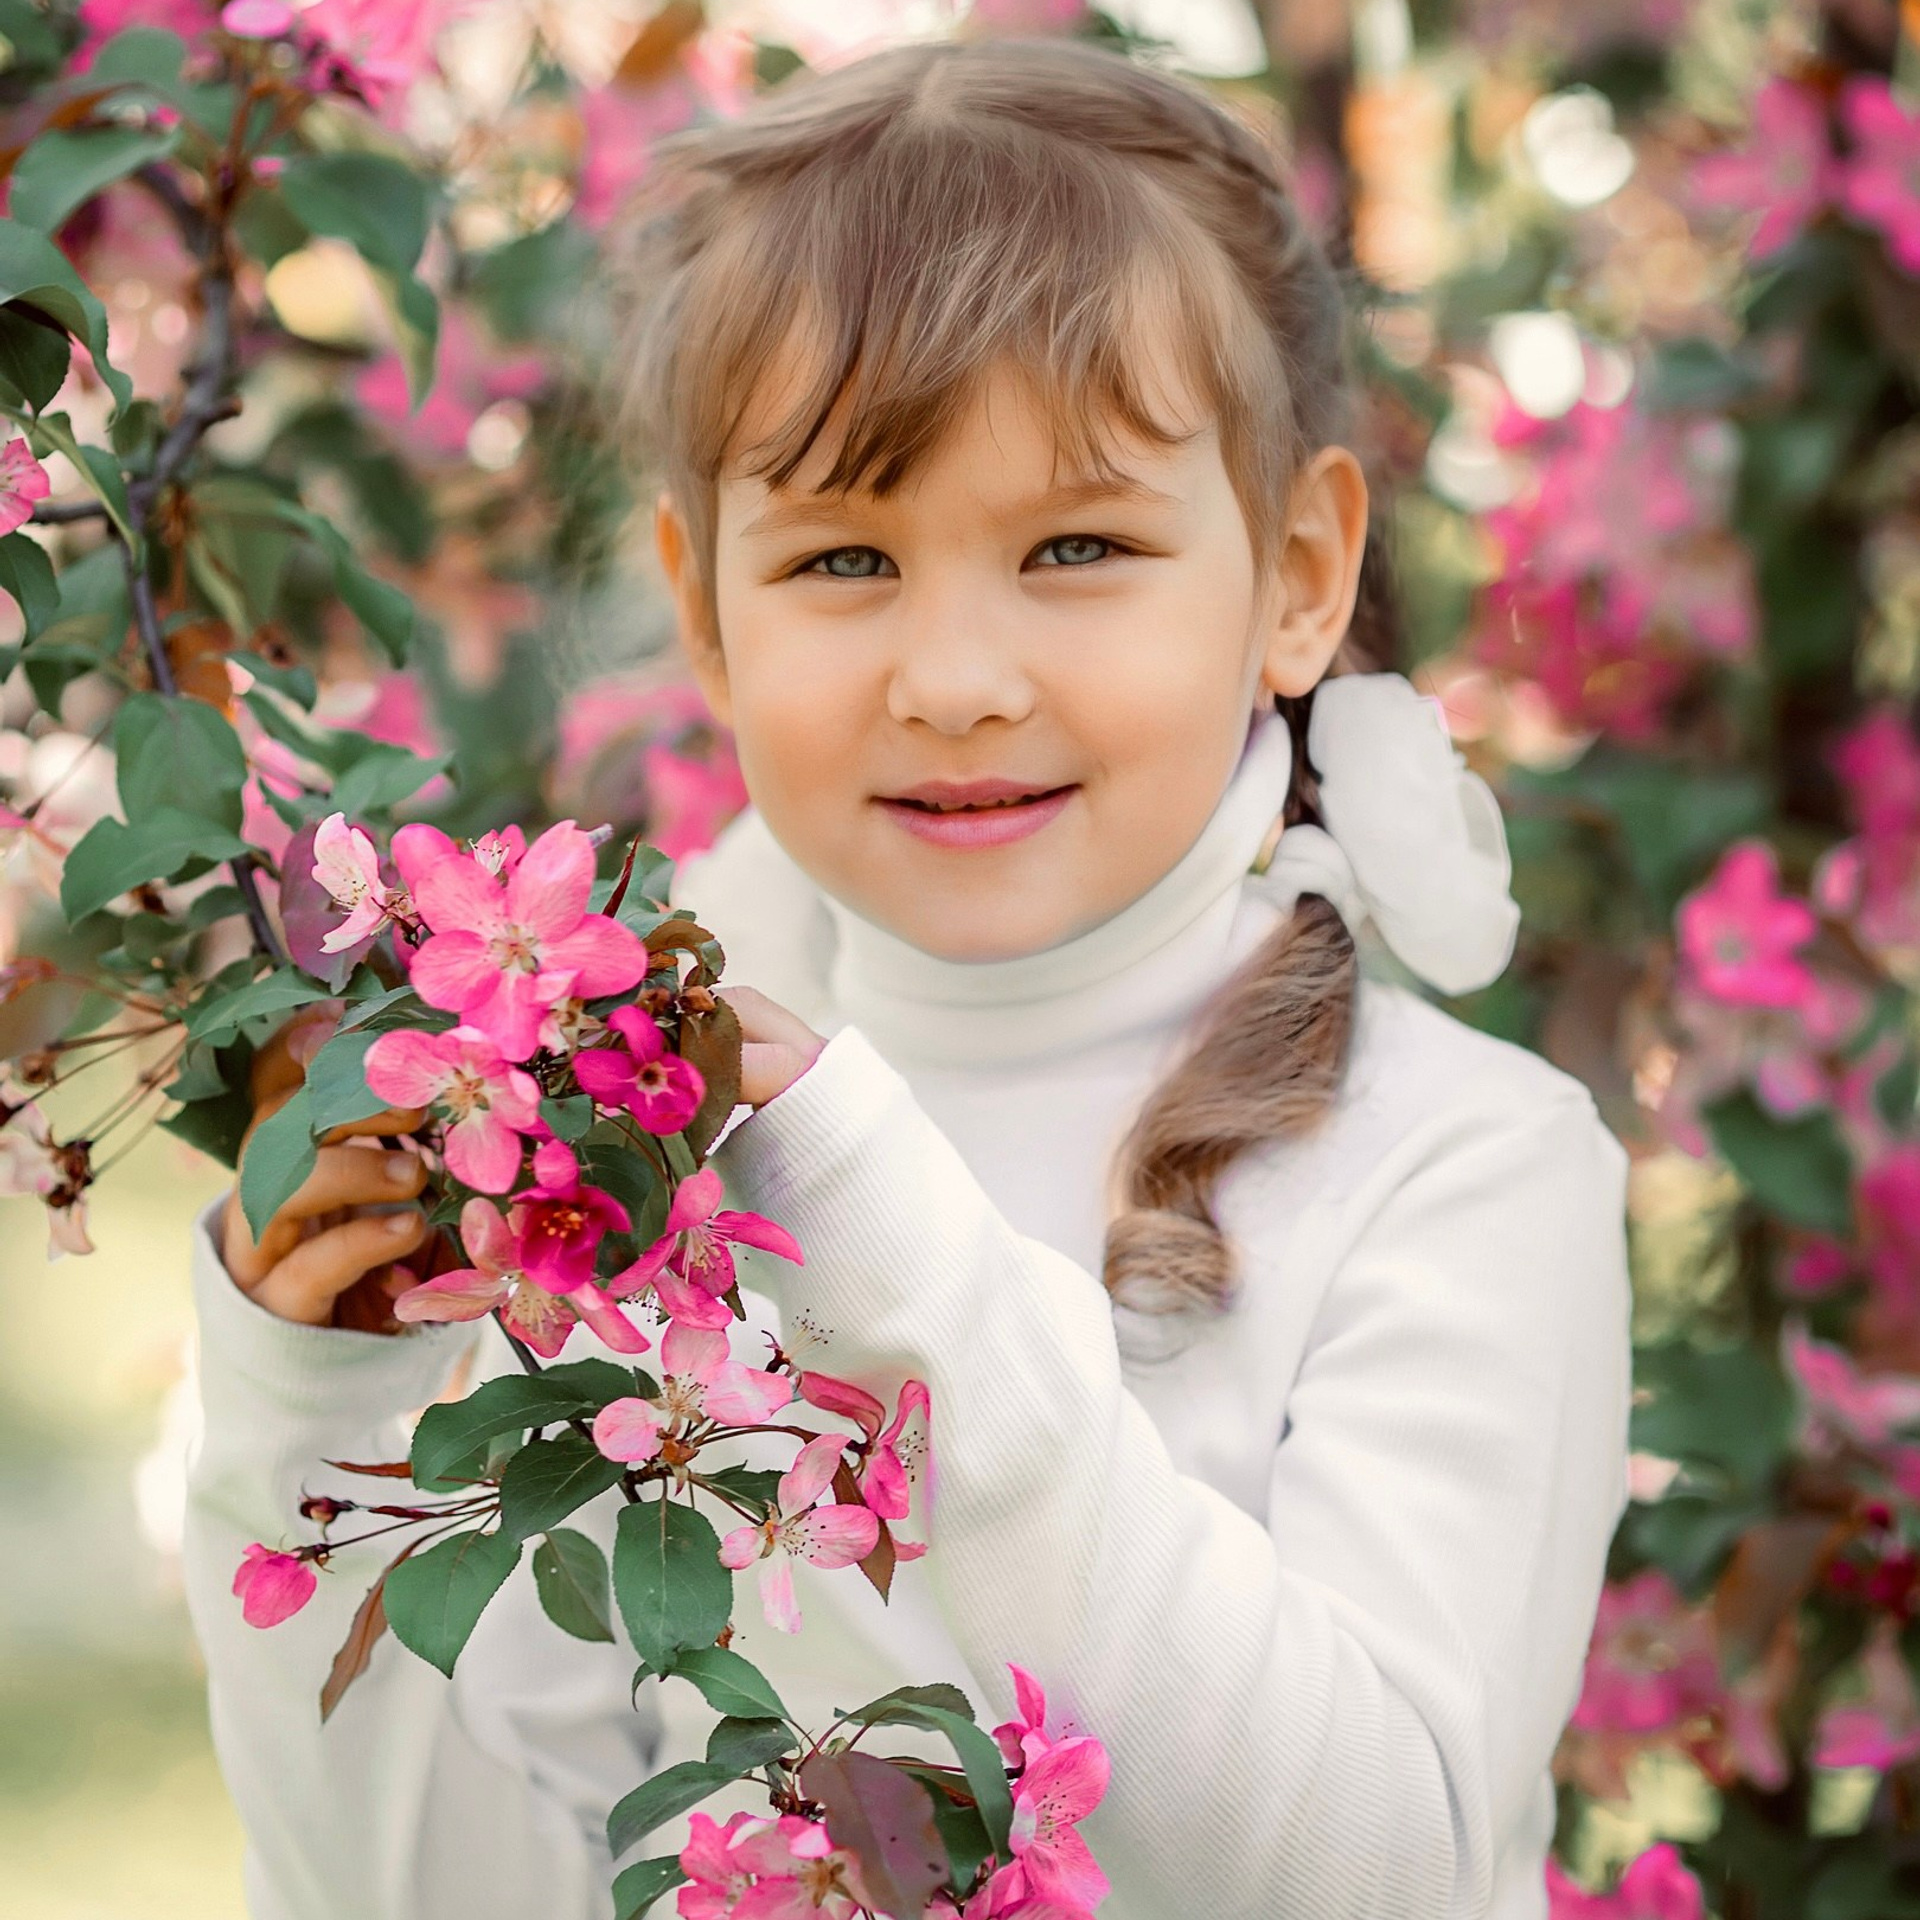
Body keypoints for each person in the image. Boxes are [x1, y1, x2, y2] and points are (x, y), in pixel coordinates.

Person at [181, 35, 1633, 1920]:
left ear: (1295, 573)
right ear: (705, 608)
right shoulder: (603, 1169)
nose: (953, 676)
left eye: (1079, 545)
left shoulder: (1467, 1170)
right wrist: (303, 1421)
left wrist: (882, 1240)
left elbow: (1366, 1869)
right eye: (847, 556)